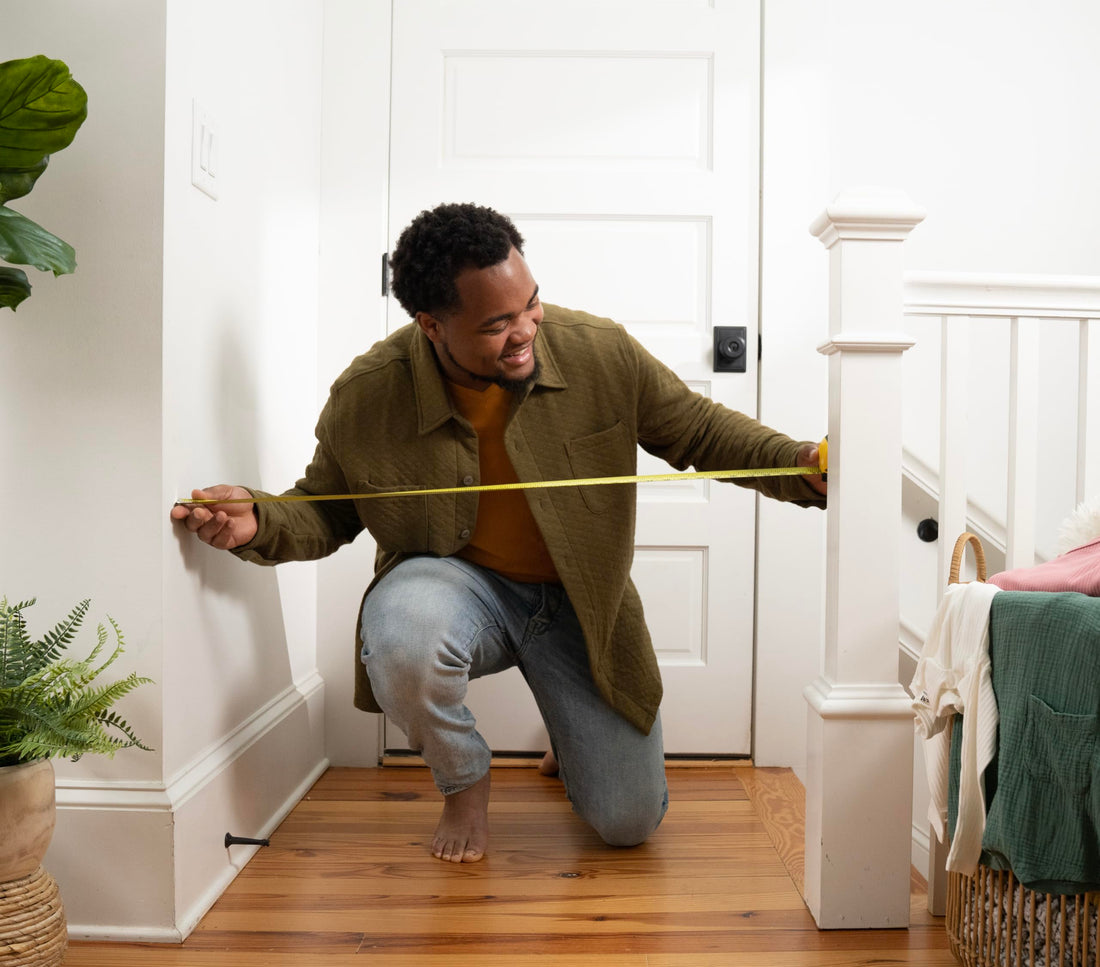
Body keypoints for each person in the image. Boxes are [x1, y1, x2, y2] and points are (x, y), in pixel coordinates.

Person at [170, 202, 826, 864]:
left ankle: (567, 728)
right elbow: (326, 507)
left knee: (629, 822)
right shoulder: (369, 393)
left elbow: (702, 431)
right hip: (455, 585)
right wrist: (260, 519)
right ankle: (464, 782)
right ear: (432, 325)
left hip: (580, 604)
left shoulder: (599, 350)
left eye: (531, 305)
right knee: (403, 641)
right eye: (496, 324)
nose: (524, 332)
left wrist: (802, 466)